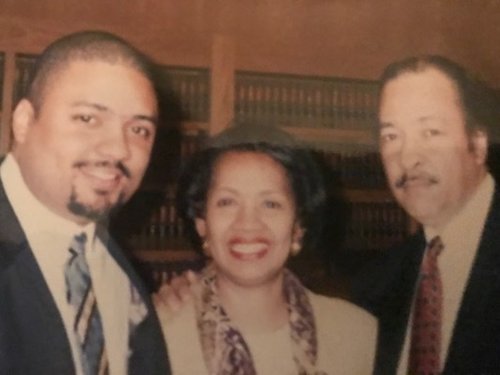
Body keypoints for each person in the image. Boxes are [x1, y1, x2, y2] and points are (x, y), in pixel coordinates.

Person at [0, 31, 171, 374]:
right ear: (23, 122)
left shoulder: (120, 273)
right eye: (88, 119)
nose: (119, 149)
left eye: (139, 130)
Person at [155, 124, 377, 374]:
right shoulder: (156, 337)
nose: (248, 223)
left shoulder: (359, 335)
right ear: (202, 224)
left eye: (270, 204)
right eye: (227, 202)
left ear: (298, 227)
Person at [352, 55, 500, 374]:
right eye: (391, 136)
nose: (408, 157)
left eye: (430, 132)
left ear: (478, 143)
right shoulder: (375, 286)